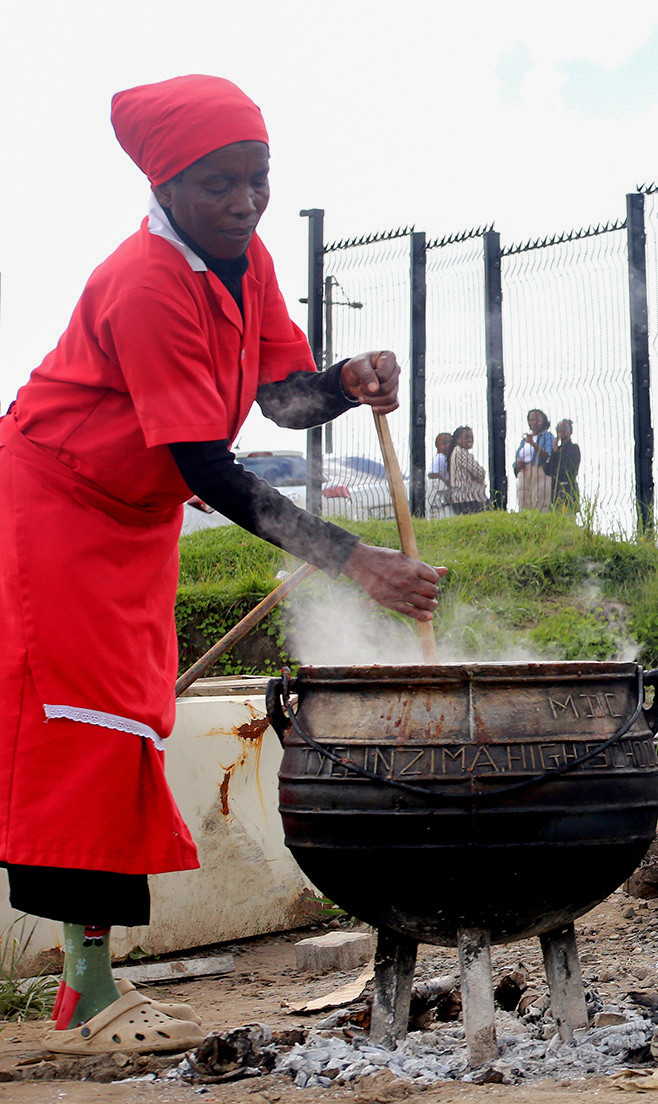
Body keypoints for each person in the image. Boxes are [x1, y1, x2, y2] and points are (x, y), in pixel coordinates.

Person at [0, 75, 444, 1053]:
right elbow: (206, 462)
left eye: (260, 177)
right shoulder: (145, 284)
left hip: (130, 513)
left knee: (130, 716)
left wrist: (340, 383)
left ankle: (90, 985)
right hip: (55, 509)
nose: (246, 201)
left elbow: (280, 398)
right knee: (85, 723)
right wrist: (352, 562)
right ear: (167, 184)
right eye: (220, 184)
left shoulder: (248, 260)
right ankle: (84, 997)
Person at [514, 408, 555, 512]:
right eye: (531, 420)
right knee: (524, 501)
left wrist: (533, 444)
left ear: (544, 421)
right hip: (524, 472)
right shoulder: (525, 440)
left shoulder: (547, 436)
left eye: (538, 420)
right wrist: (517, 465)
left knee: (539, 501)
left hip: (539, 471)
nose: (534, 423)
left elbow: (547, 455)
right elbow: (519, 454)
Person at [448, 426, 489, 513]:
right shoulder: (461, 452)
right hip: (467, 498)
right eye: (466, 438)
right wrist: (477, 477)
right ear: (458, 440)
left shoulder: (458, 452)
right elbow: (480, 472)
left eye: (471, 437)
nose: (470, 440)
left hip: (464, 498)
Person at [547, 419, 582, 516]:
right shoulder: (556, 451)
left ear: (570, 431)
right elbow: (548, 470)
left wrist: (556, 471)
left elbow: (570, 469)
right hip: (556, 491)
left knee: (568, 518)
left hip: (568, 489)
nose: (562, 431)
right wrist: (554, 450)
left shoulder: (573, 448)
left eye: (565, 428)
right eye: (559, 429)